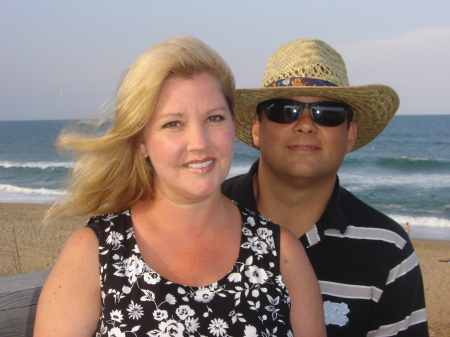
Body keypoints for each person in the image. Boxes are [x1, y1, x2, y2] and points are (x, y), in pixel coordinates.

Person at [34, 37, 326, 337]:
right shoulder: (94, 254)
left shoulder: (282, 254)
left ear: (232, 123)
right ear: (142, 141)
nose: (200, 142)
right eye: (173, 123)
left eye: (214, 118)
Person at [222, 38, 429, 336]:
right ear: (257, 128)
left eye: (328, 113)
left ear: (349, 135)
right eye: (285, 110)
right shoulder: (199, 216)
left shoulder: (388, 251)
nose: (305, 124)